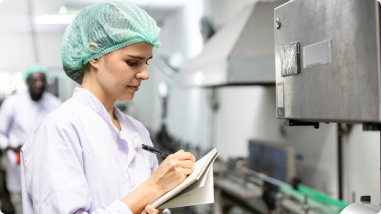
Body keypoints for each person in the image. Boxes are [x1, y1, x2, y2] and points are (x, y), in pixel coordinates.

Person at [21, 1, 196, 214]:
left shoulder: (137, 131)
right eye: (133, 62)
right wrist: (153, 186)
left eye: (146, 63)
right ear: (94, 55)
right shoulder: (61, 128)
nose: (145, 74)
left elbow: (155, 205)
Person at [0, 64, 62, 214]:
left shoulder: (55, 104)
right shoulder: (12, 103)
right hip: (16, 162)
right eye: (34, 80)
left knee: (44, 201)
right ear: (27, 81)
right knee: (19, 201)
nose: (38, 84)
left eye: (42, 80)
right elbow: (1, 132)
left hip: (45, 162)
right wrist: (11, 146)